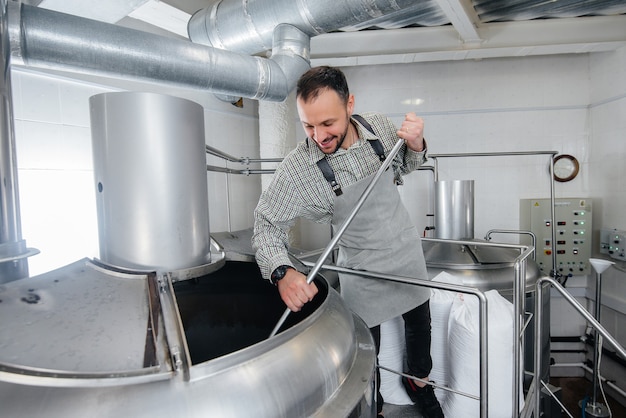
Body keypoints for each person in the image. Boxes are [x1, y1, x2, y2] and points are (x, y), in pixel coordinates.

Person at [252, 66, 443, 418]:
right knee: (365, 350)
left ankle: (419, 382)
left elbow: (405, 166)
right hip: (361, 268)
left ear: (350, 104)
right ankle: (375, 406)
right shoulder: (298, 169)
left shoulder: (379, 128)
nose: (318, 136)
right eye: (308, 125)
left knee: (420, 326)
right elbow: (265, 224)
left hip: (403, 252)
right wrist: (283, 272)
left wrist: (417, 144)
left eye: (328, 124)